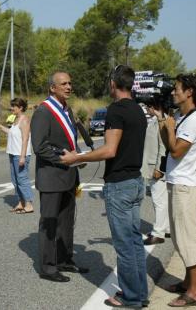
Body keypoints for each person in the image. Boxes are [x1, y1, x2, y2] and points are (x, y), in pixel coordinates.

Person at [60, 65, 148, 308]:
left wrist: (76, 158)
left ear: (113, 83)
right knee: (134, 241)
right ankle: (140, 293)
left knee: (124, 245)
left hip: (119, 185)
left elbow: (109, 150)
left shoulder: (116, 110)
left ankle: (131, 297)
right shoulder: (138, 110)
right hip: (135, 182)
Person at [153, 73, 196, 307]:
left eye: (176, 89)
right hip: (178, 183)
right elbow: (168, 145)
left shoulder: (195, 120)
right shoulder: (183, 117)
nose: (173, 92)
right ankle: (187, 283)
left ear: (189, 93)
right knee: (179, 239)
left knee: (189, 241)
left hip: (186, 187)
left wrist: (171, 126)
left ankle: (194, 292)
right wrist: (162, 121)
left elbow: (176, 152)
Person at [30, 71, 88, 283]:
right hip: (52, 177)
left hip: (69, 177)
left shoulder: (67, 109)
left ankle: (64, 259)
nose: (68, 87)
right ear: (52, 88)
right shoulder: (44, 112)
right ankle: (48, 267)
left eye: (70, 83)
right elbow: (39, 146)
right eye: (63, 84)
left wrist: (78, 156)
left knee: (66, 221)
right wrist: (63, 159)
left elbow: (69, 141)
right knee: (50, 223)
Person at [0, 98, 34, 214]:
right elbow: (11, 132)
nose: (11, 108)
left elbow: (25, 138)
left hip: (20, 154)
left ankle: (28, 204)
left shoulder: (24, 120)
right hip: (12, 153)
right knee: (15, 180)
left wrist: (22, 156)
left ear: (21, 108)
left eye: (14, 106)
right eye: (11, 106)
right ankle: (21, 202)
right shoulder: (15, 119)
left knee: (22, 179)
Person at [141, 102, 170, 246]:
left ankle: (158, 233)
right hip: (153, 166)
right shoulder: (153, 121)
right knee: (163, 200)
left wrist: (159, 168)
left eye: (149, 106)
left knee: (159, 201)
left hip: (157, 167)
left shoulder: (161, 121)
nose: (147, 109)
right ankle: (166, 228)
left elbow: (163, 146)